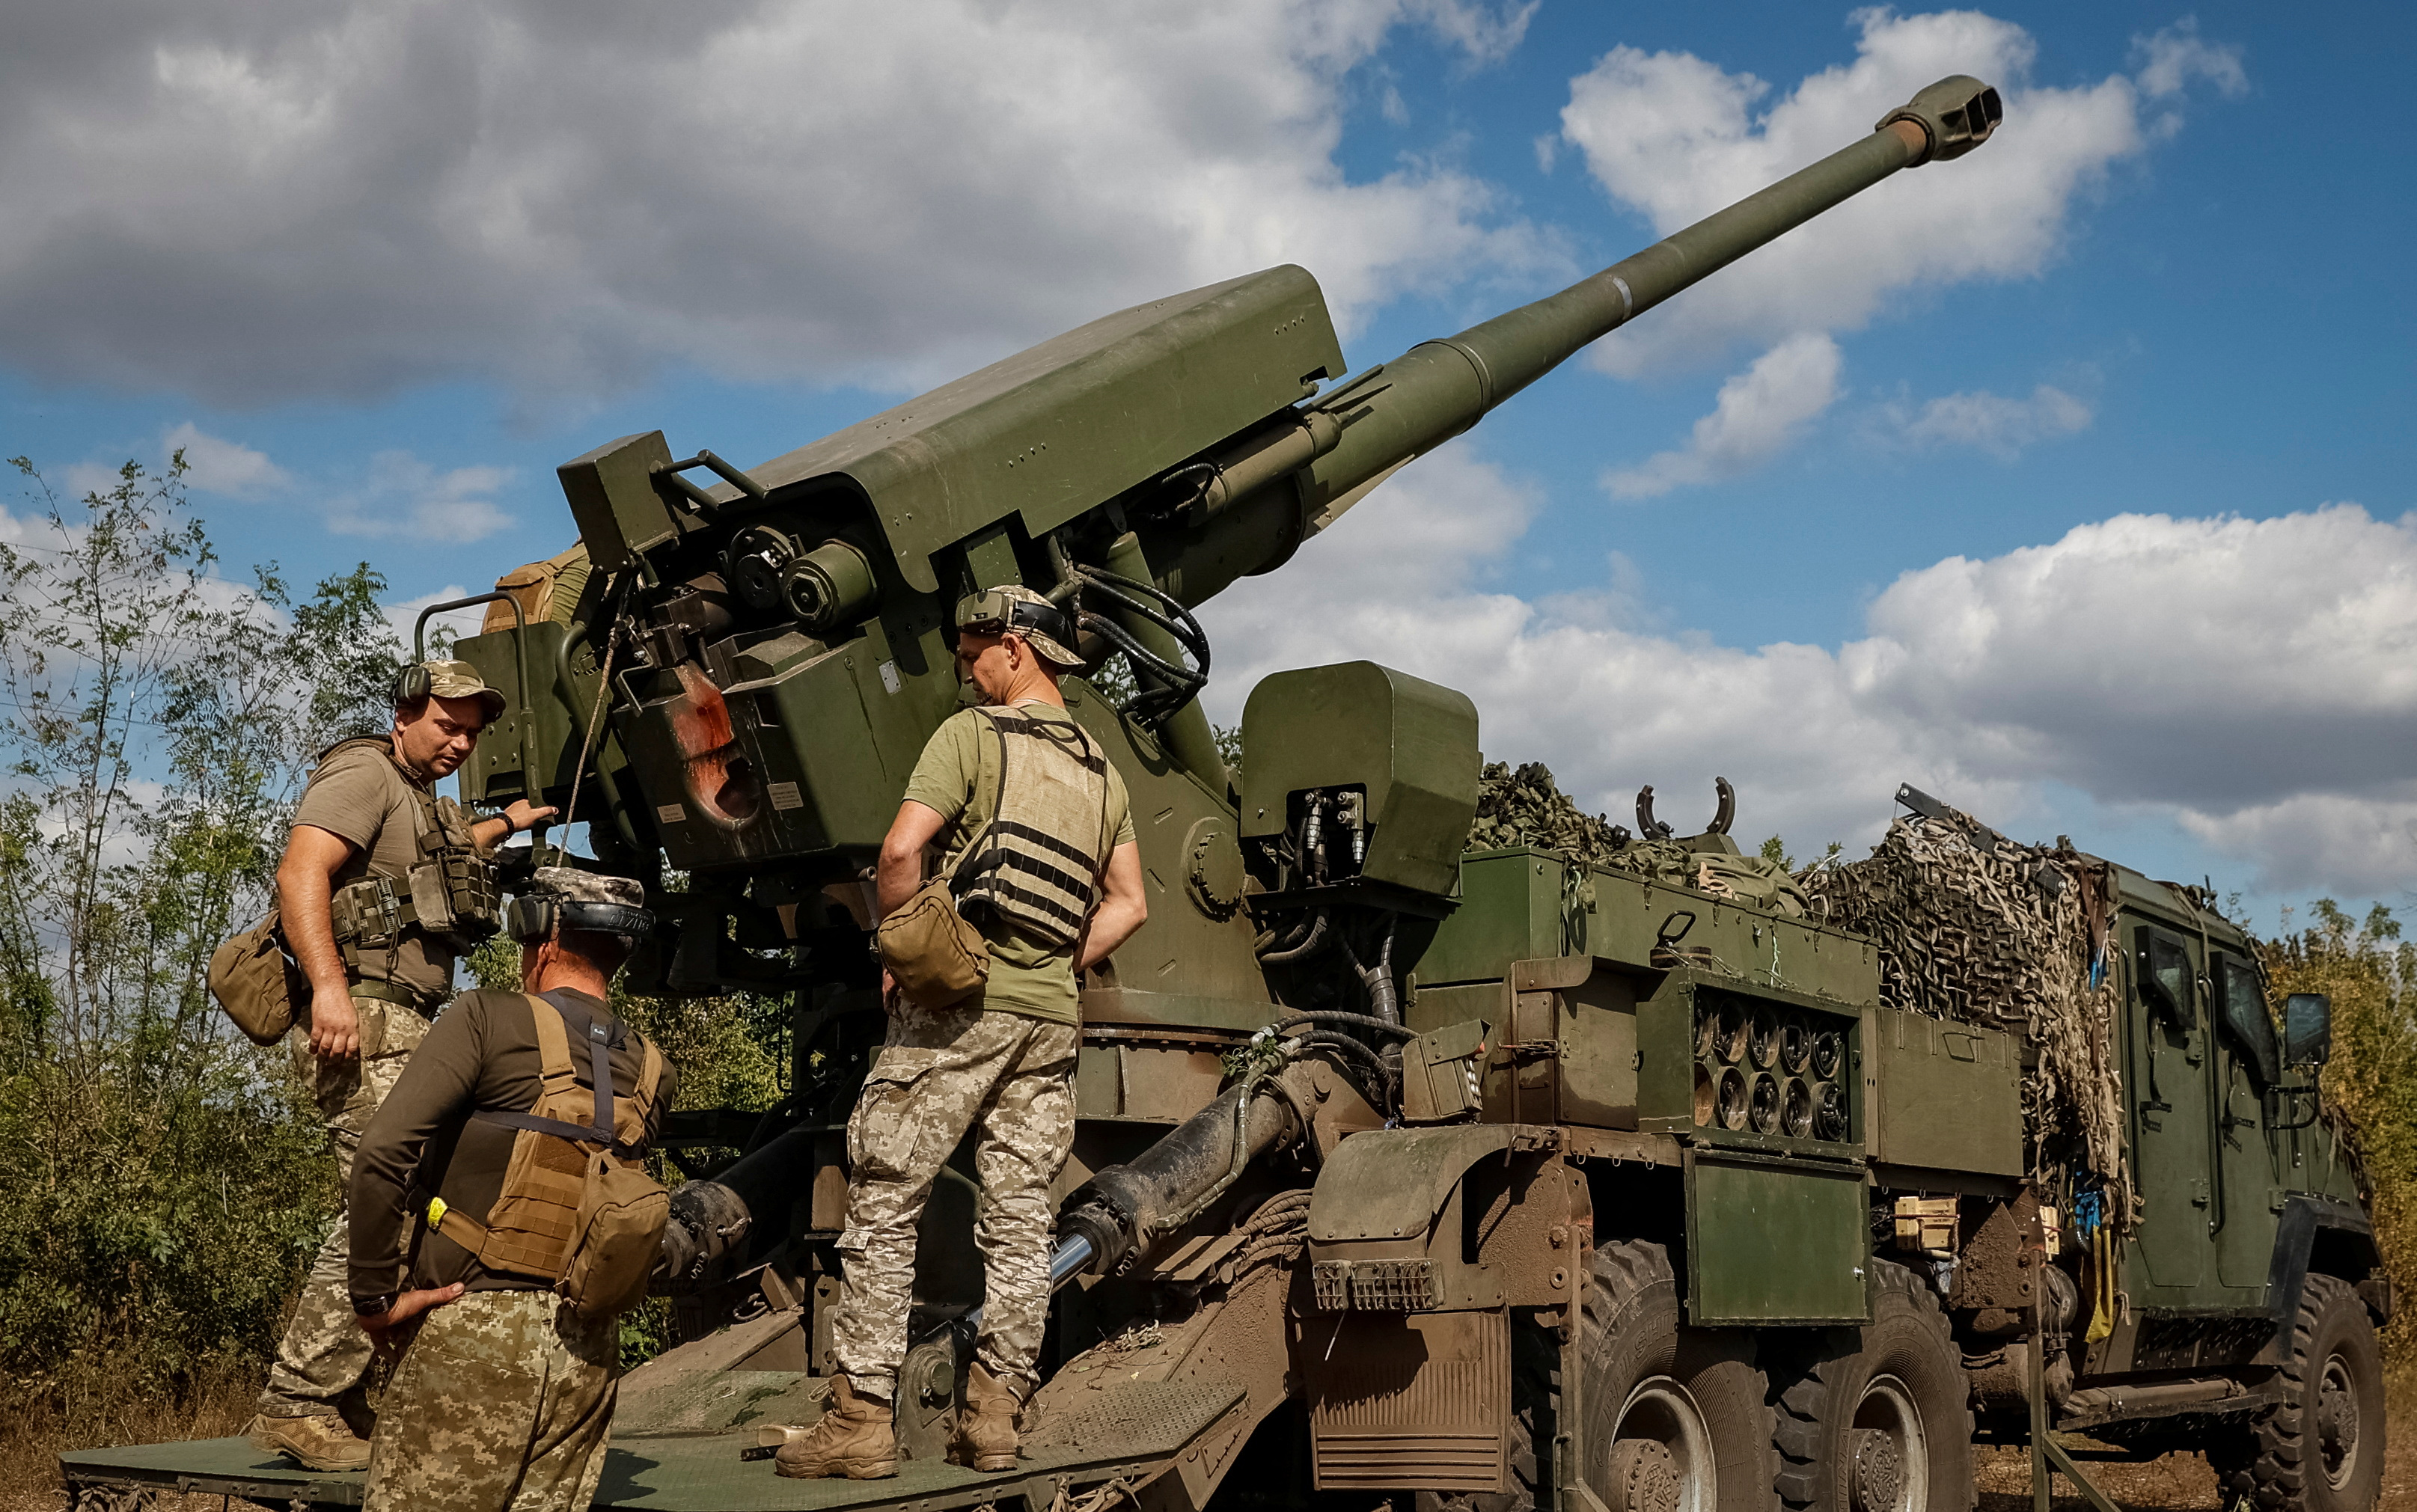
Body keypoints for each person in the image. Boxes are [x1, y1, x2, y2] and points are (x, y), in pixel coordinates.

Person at [780, 585, 1148, 1482]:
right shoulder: (1102, 772)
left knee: (885, 1192)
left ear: (1016, 648)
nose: (964, 670)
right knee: (1020, 1223)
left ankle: (859, 1419)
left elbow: (900, 852)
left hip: (959, 1007)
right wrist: (1053, 963)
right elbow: (1130, 903)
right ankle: (992, 1420)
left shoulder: (972, 737)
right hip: (1046, 1021)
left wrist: (902, 948)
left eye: (972, 653)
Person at [245, 661, 557, 1471]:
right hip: (364, 1013)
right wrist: (329, 990)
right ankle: (298, 1398)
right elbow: (300, 871)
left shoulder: (417, 797)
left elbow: (434, 863)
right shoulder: (365, 773)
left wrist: (509, 822)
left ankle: (339, 1391)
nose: (461, 743)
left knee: (411, 1198)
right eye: (447, 725)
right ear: (404, 714)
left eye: (471, 733)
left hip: (404, 1019)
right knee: (382, 1199)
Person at [347, 867, 676, 1511]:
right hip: (588, 1350)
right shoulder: (655, 1070)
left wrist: (374, 1297)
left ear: (544, 940)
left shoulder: (484, 1017)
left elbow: (382, 1154)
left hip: (474, 1332)